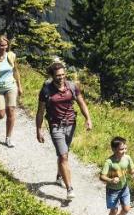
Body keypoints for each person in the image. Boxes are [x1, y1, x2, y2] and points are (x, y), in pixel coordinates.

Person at [35, 61, 93, 200]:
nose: (61, 78)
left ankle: (59, 175)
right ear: (52, 76)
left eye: (63, 75)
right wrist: (39, 129)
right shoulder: (46, 90)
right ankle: (69, 188)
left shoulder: (72, 86)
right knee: (63, 156)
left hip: (71, 124)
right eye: (58, 75)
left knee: (64, 152)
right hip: (55, 125)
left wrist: (88, 119)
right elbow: (40, 111)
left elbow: (81, 102)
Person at [99, 136, 134, 215]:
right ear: (114, 149)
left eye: (125, 148)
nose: (124, 151)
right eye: (121, 149)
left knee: (126, 209)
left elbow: (132, 169)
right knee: (114, 210)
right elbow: (102, 176)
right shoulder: (109, 162)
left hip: (124, 188)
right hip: (112, 190)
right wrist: (111, 180)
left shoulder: (127, 158)